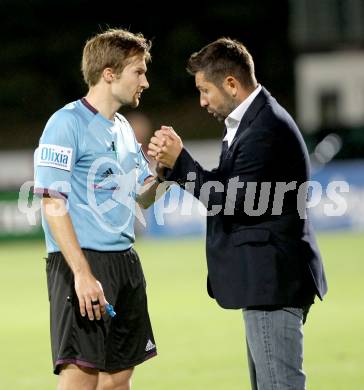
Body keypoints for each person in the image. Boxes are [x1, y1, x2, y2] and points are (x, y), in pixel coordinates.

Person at [148, 38, 328, 389]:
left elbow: (230, 201)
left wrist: (181, 162)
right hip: (267, 279)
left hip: (271, 281)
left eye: (205, 91)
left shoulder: (264, 129)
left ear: (231, 83)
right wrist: (174, 168)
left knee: (279, 385)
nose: (201, 101)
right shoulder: (252, 122)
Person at [33, 28, 167, 390]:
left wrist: (169, 173)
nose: (146, 81)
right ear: (109, 73)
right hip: (82, 263)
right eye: (138, 72)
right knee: (82, 377)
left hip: (125, 261)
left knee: (119, 378)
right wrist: (81, 273)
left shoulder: (123, 128)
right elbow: (51, 202)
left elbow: (141, 197)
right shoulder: (66, 123)